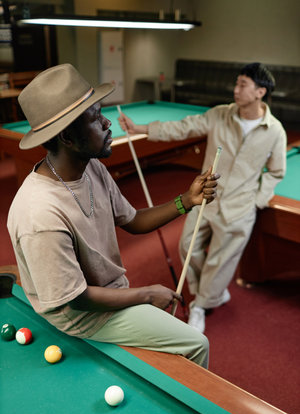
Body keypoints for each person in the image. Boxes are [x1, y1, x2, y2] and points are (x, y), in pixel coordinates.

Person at [7, 63, 220, 368]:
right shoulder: (39, 213)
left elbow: (133, 221)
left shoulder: (91, 167)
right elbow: (75, 298)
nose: (108, 123)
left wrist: (187, 200)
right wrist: (145, 295)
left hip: (105, 292)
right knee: (196, 343)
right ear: (68, 137)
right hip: (81, 317)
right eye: (96, 118)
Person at [118, 62, 287, 333]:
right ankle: (210, 292)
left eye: (243, 85)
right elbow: (184, 127)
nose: (235, 89)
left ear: (260, 92)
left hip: (240, 207)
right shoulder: (220, 115)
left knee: (221, 261)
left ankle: (200, 305)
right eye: (236, 83)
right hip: (205, 199)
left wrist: (258, 199)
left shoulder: (275, 130)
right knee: (188, 247)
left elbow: (277, 171)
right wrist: (141, 129)